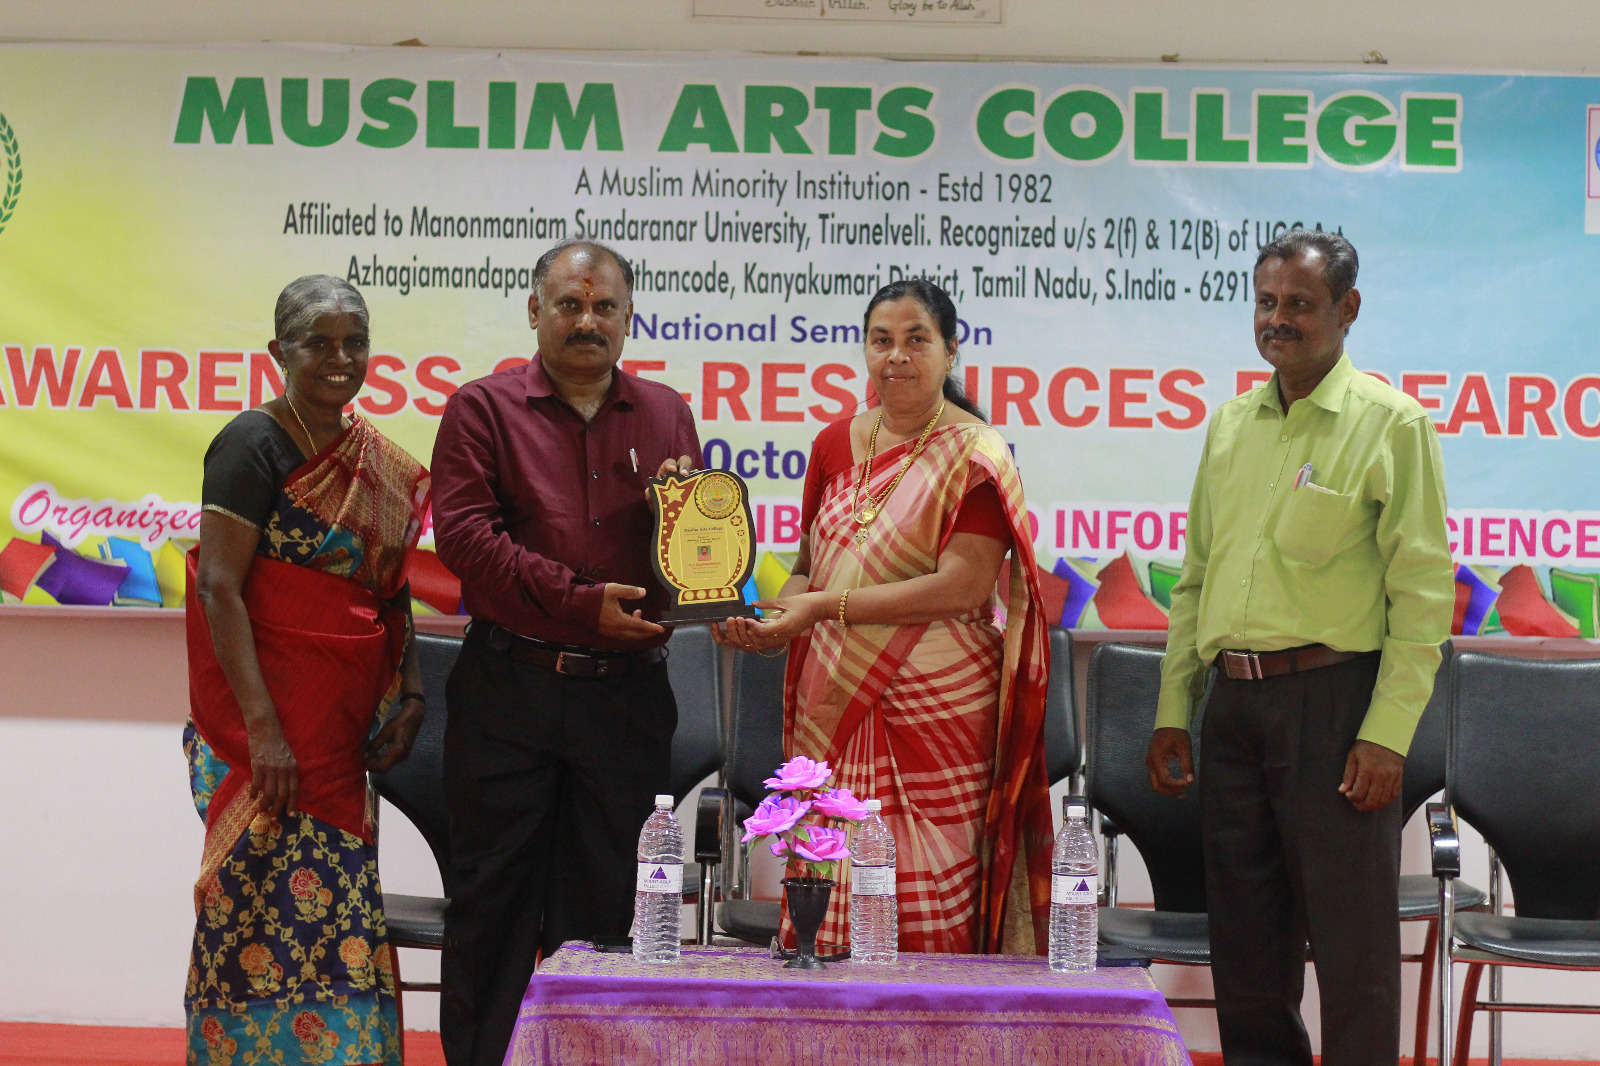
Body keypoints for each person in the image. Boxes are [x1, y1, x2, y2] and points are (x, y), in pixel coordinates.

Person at [1147, 229, 1454, 1065]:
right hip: (1233, 710)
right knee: (1245, 946)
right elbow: (1195, 579)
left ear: (1347, 310)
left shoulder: (1391, 424)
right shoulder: (1229, 426)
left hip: (1336, 708)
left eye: (1300, 305)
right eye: (1266, 302)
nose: (1277, 320)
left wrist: (1387, 734)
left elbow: (1424, 597)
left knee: (1353, 950)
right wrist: (1176, 707)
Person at [716, 278, 1053, 956]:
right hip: (834, 696)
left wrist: (822, 608)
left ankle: (936, 1017)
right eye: (881, 341)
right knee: (830, 879)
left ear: (950, 352)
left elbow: (962, 586)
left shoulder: (977, 454)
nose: (896, 356)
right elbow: (810, 566)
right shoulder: (833, 444)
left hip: (941, 706)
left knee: (935, 884)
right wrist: (775, 622)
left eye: (916, 340)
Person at [430, 239, 700, 1066]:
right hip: (509, 692)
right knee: (492, 909)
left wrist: (695, 556)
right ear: (534, 311)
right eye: (570, 305)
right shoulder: (481, 409)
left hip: (625, 703)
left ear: (628, 317)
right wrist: (582, 603)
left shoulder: (666, 413)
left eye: (605, 307)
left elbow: (697, 546)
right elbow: (465, 540)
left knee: (610, 914)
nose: (588, 321)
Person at [184, 276, 431, 1066]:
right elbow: (219, 587)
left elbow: (390, 589)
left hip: (337, 737)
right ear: (278, 352)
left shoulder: (374, 462)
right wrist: (265, 732)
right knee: (252, 913)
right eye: (317, 342)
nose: (339, 357)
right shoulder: (249, 444)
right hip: (262, 733)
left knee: (339, 916)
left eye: (354, 342)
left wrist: (413, 693)